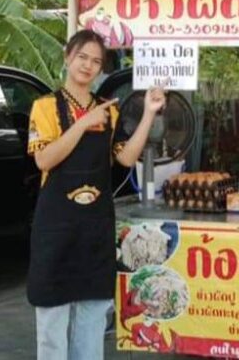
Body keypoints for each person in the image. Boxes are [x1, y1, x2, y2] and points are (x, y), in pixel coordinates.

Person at [26, 29, 165, 360]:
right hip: (56, 230)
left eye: (96, 61)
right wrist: (82, 124)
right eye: (82, 57)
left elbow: (126, 158)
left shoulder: (109, 110)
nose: (87, 66)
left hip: (94, 229)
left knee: (92, 318)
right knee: (52, 318)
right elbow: (44, 160)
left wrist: (149, 113)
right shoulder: (44, 107)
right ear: (68, 57)